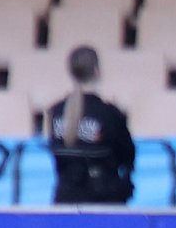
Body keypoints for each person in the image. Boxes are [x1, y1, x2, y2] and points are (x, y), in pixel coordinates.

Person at [48, 46, 135, 205]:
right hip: (105, 201)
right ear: (97, 70)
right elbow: (127, 155)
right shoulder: (110, 114)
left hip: (65, 200)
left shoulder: (56, 112)